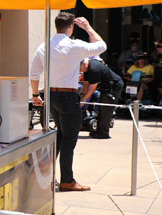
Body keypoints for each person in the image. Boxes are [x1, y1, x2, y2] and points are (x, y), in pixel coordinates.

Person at [30, 12, 107, 192]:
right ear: (71, 27)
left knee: (60, 135)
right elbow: (102, 46)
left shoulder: (44, 46)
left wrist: (35, 95)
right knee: (68, 140)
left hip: (51, 96)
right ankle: (66, 180)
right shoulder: (74, 45)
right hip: (68, 96)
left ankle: (47, 174)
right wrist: (87, 27)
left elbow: (34, 74)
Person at [79, 57, 123, 139]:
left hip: (113, 87)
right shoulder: (88, 67)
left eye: (80, 68)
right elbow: (86, 83)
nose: (80, 71)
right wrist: (82, 95)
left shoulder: (94, 69)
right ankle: (99, 130)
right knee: (100, 109)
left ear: (84, 64)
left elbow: (92, 88)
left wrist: (84, 100)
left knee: (106, 109)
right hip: (105, 88)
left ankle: (103, 133)